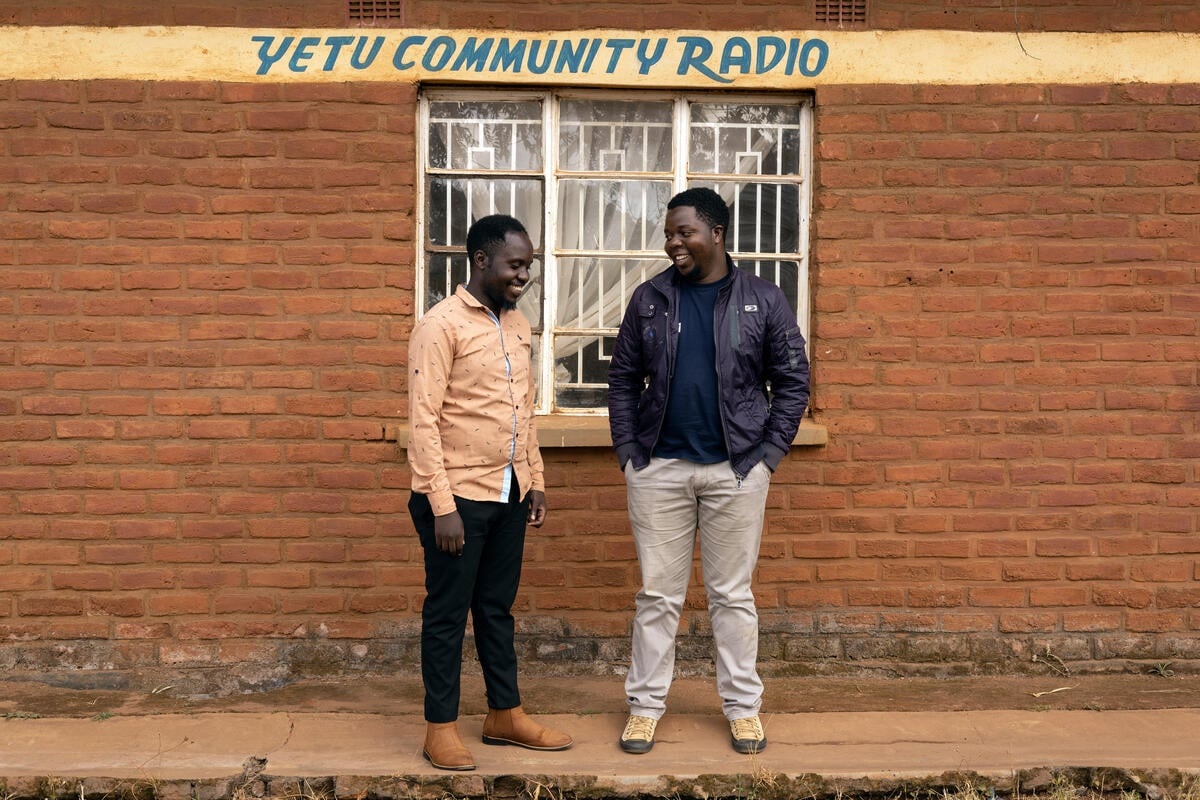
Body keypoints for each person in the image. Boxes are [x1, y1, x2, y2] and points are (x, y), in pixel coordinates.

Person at [607, 187, 810, 756]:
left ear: (716, 234)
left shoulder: (763, 299)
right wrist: (629, 451)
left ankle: (743, 710)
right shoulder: (649, 299)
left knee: (732, 597)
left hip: (737, 470)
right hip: (659, 469)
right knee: (657, 597)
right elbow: (622, 379)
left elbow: (793, 381)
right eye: (669, 234)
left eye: (684, 232)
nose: (673, 243)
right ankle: (644, 708)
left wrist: (769, 454)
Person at [407, 213, 572, 771]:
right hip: (455, 498)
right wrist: (442, 507)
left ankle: (504, 713)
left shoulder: (517, 324)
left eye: (529, 265)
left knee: (497, 610)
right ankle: (440, 728)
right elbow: (423, 421)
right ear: (481, 260)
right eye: (515, 264)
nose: (524, 275)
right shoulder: (440, 326)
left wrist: (535, 480)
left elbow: (523, 411)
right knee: (448, 614)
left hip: (509, 492)